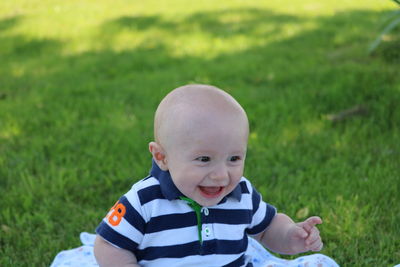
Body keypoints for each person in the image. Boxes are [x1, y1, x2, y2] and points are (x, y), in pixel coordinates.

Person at [93, 84, 328, 267]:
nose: (220, 175)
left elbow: (267, 228)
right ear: (162, 157)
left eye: (234, 159)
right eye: (204, 159)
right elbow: (109, 244)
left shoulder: (242, 194)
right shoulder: (144, 201)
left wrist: (291, 236)